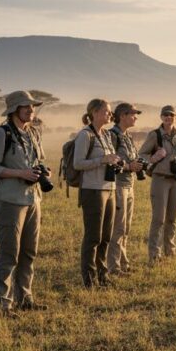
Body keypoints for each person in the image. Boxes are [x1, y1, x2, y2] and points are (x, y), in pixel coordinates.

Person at [0, 90, 50, 316]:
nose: (31, 110)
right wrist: (20, 173)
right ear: (13, 110)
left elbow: (37, 160)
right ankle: (2, 305)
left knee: (29, 252)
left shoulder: (33, 132)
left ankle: (25, 298)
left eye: (32, 106)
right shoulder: (1, 134)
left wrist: (42, 171)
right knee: (9, 253)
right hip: (10, 201)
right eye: (26, 106)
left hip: (33, 199)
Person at [73, 99, 120, 288]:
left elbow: (108, 158)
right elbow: (78, 164)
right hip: (93, 190)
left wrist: (115, 161)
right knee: (93, 236)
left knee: (106, 236)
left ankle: (102, 275)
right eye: (106, 111)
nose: (110, 114)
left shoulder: (106, 135)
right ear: (94, 113)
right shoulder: (85, 135)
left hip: (110, 188)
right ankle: (89, 279)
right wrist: (102, 160)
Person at [139, 105, 176, 263]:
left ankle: (170, 252)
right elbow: (141, 154)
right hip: (160, 179)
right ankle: (154, 255)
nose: (168, 117)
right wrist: (153, 158)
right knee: (159, 219)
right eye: (165, 115)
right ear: (161, 117)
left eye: (171, 115)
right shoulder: (155, 135)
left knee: (172, 219)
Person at [106, 103, 148, 276]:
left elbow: (131, 159)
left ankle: (123, 263)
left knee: (126, 227)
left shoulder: (128, 136)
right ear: (122, 116)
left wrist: (137, 164)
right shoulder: (112, 135)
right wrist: (129, 167)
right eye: (133, 114)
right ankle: (113, 268)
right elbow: (109, 161)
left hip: (130, 185)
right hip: (118, 185)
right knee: (118, 228)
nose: (135, 117)